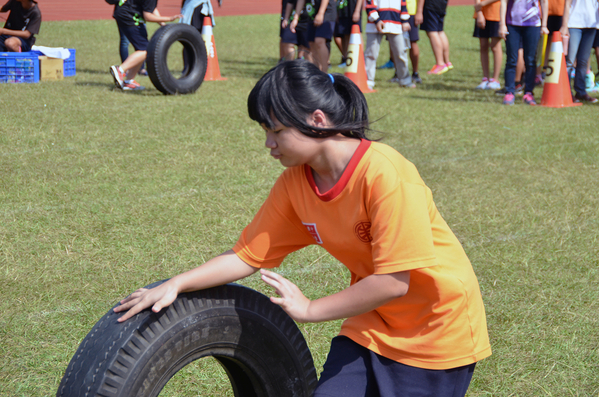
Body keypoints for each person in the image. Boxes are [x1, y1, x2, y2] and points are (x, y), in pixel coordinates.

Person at [114, 59, 492, 397]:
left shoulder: (386, 174)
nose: (268, 144)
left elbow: (394, 281)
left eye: (275, 130)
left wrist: (310, 308)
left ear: (316, 119)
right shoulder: (296, 183)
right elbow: (247, 256)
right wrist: (176, 283)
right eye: (264, 130)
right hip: (371, 323)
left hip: (436, 332)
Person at [109, 0, 182, 91]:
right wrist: (169, 18)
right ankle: (120, 70)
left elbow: (151, 8)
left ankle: (129, 81)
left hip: (125, 14)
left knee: (142, 49)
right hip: (130, 17)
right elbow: (147, 16)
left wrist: (163, 25)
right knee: (146, 50)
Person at [499, 0, 549, 105]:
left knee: (530, 60)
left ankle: (529, 93)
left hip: (533, 24)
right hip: (512, 24)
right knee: (512, 60)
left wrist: (544, 25)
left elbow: (544, 2)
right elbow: (503, 2)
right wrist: (502, 24)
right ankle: (509, 92)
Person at [364, 0, 414, 88]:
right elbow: (369, 4)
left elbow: (403, 3)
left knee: (400, 52)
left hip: (395, 23)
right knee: (371, 53)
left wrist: (405, 20)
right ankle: (368, 80)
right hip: (374, 25)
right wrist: (377, 20)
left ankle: (404, 79)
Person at [560, 0, 598, 103]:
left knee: (583, 61)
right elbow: (567, 4)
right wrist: (564, 25)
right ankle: (566, 92)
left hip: (591, 24)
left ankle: (581, 92)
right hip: (574, 23)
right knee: (570, 61)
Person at [291, 0, 337, 71]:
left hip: (326, 11)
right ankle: (317, 71)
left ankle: (324, 72)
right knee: (311, 43)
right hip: (312, 12)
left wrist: (321, 13)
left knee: (319, 41)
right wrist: (296, 18)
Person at [416, 0, 452, 74]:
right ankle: (446, 62)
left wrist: (419, 11)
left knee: (432, 32)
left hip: (431, 4)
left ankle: (440, 64)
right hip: (442, 3)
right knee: (440, 31)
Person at [473, 0, 503, 90]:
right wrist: (479, 11)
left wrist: (481, 4)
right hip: (481, 13)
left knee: (495, 46)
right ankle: (485, 78)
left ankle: (495, 79)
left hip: (497, 13)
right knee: (483, 45)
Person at [334, 0, 363, 67]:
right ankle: (347, 58)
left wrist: (357, 10)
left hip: (353, 9)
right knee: (345, 35)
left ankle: (360, 58)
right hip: (342, 10)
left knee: (356, 35)